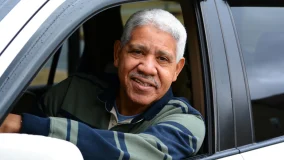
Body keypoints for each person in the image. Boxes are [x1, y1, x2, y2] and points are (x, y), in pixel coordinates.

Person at [0, 9, 205, 159]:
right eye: (137, 52)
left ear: (177, 69)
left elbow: (125, 154)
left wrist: (24, 125)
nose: (147, 68)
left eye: (162, 59)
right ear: (117, 54)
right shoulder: (72, 91)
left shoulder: (187, 124)